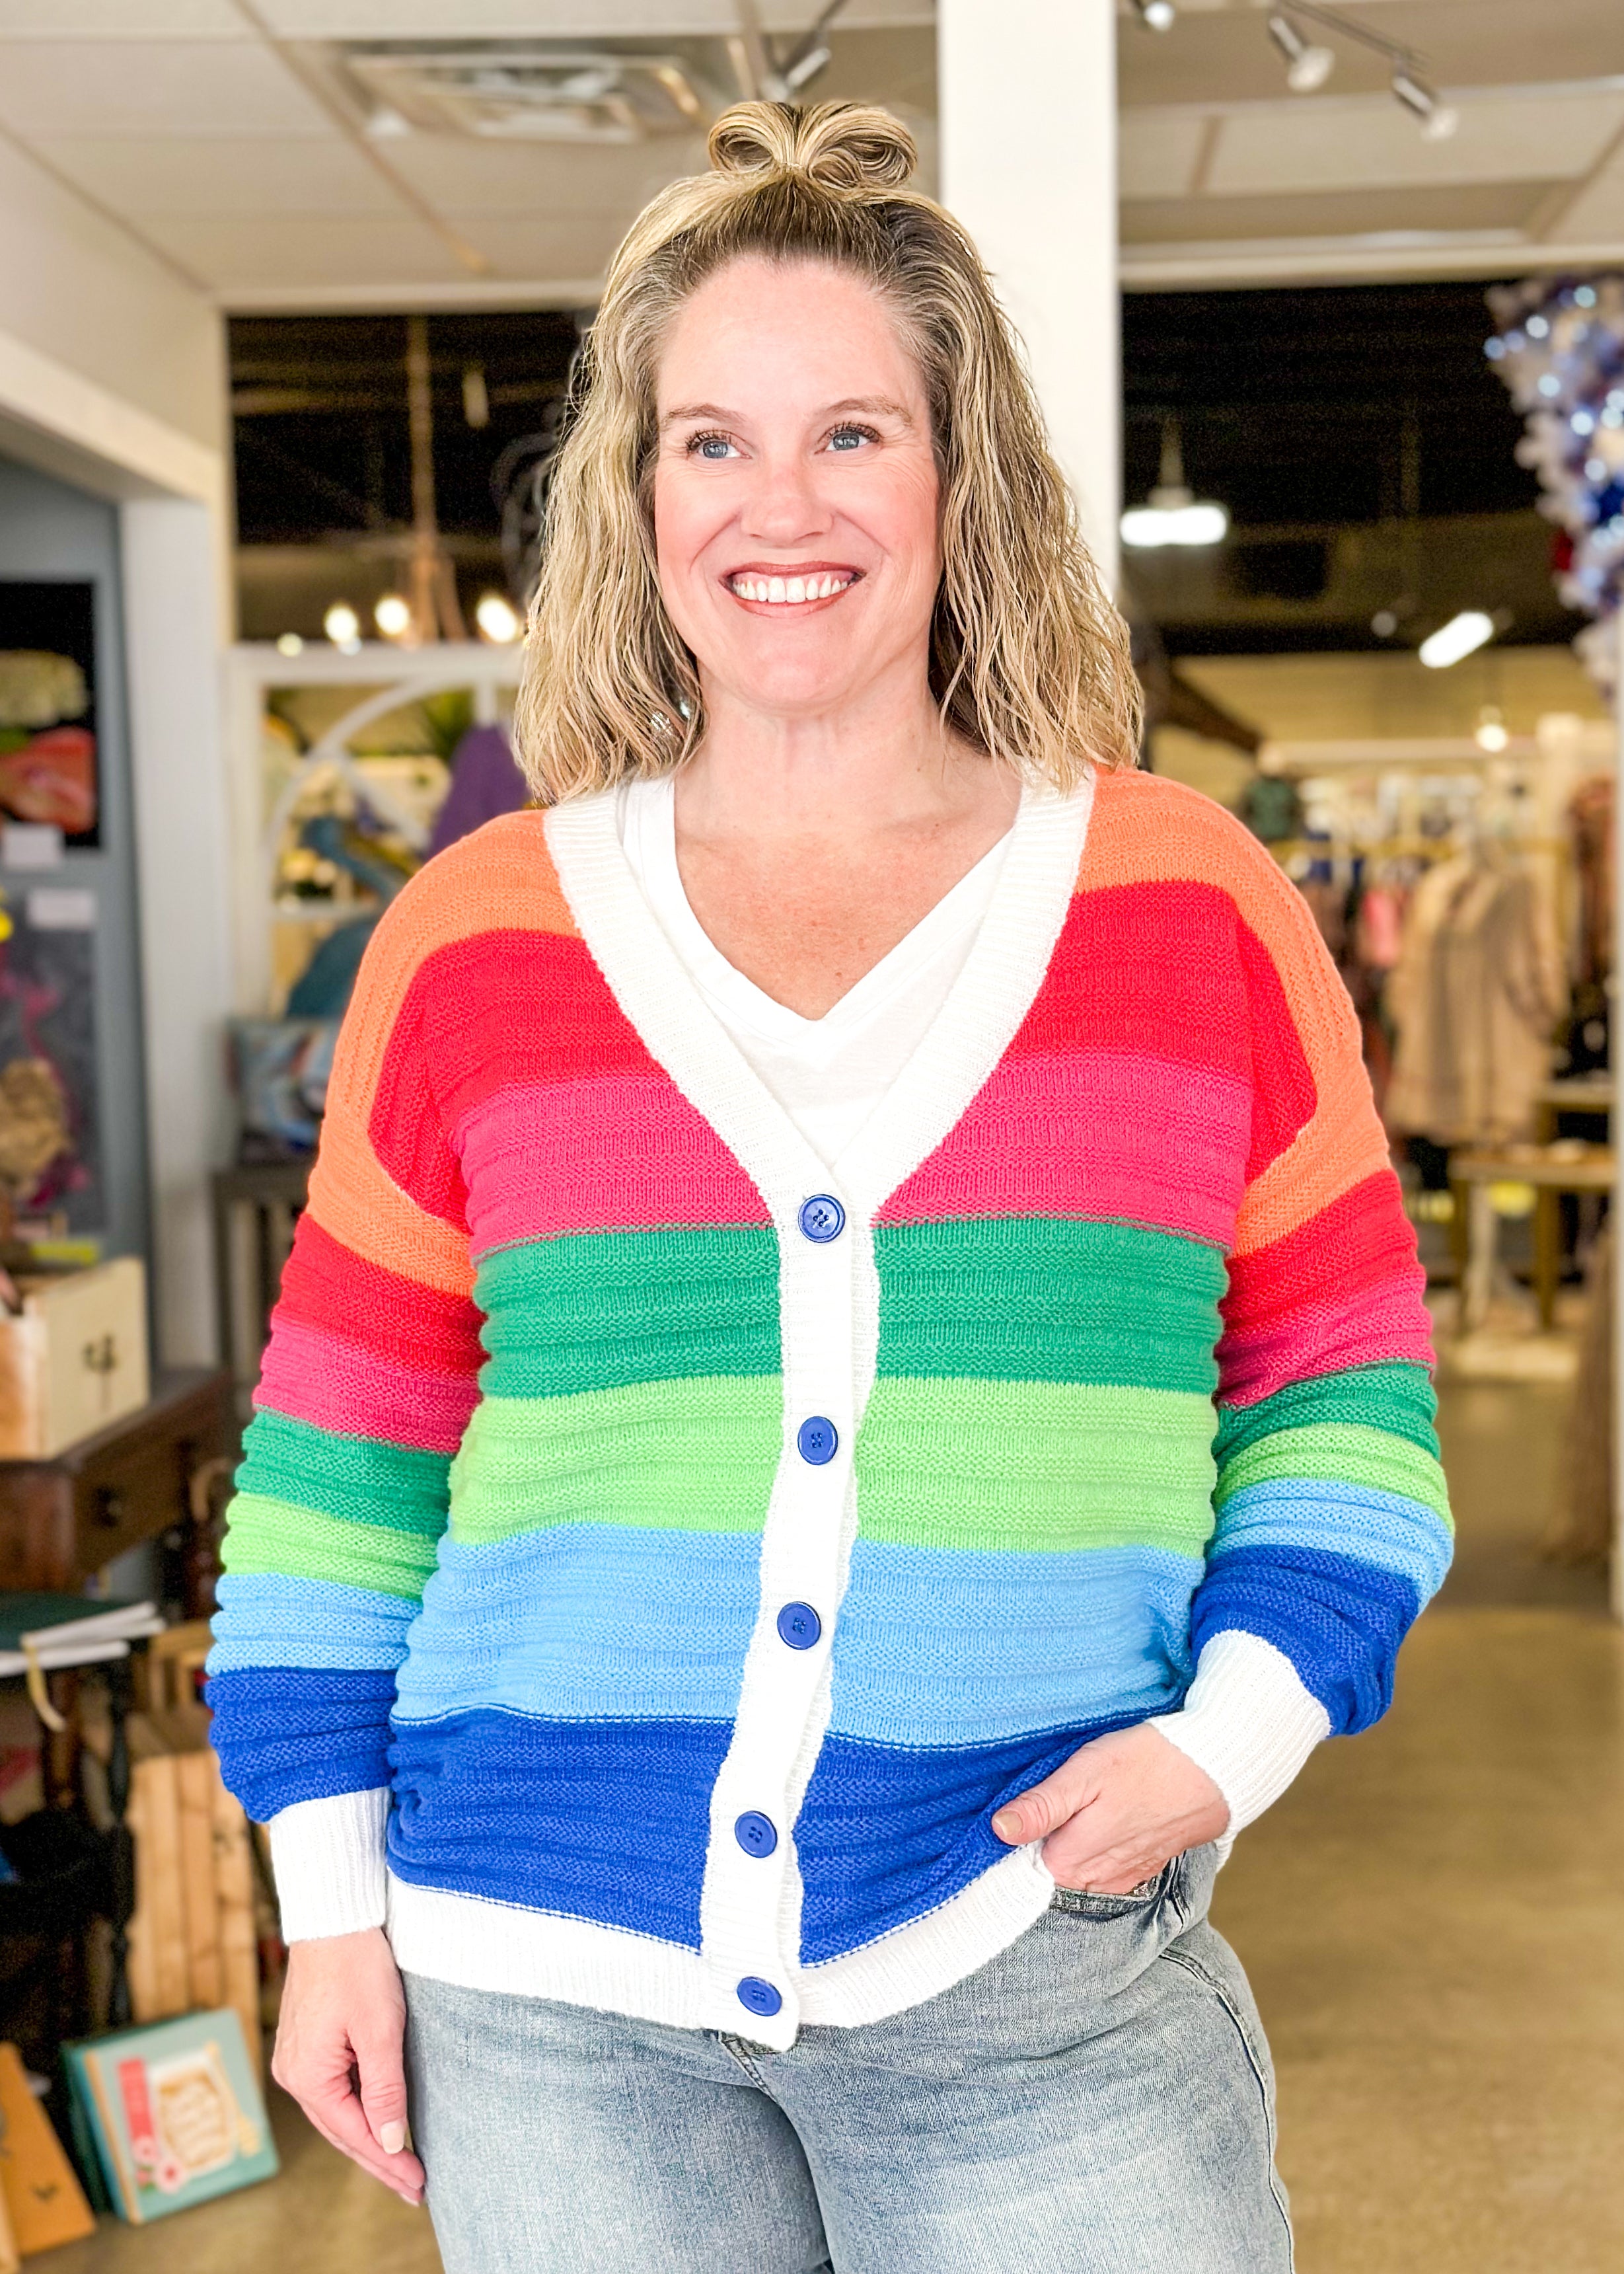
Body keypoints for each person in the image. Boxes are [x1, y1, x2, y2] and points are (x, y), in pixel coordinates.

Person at [208, 101, 1453, 2273]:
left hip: (1031, 1967)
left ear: (963, 483)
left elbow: (1347, 1403)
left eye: (851, 432)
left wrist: (1227, 1742)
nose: (776, 507)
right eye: (709, 441)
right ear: (638, 495)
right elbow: (337, 1478)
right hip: (547, 1996)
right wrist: (328, 1909)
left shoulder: (1189, 909)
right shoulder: (476, 935)